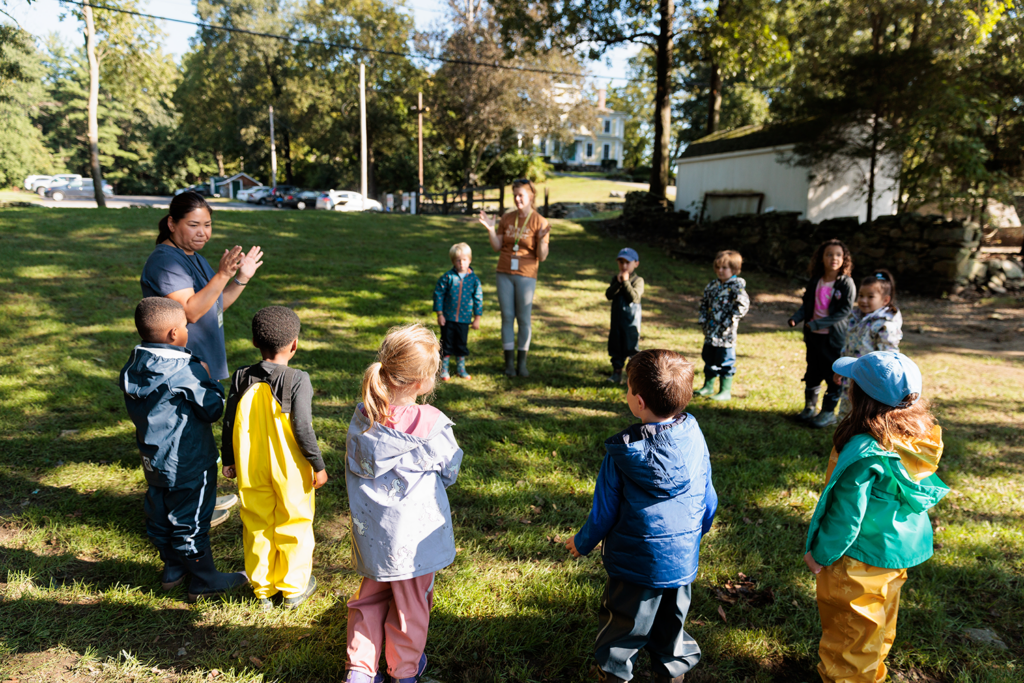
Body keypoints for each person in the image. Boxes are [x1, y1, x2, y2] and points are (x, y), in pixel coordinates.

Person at [566, 349, 717, 683]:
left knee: (625, 622)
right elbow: (708, 496)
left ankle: (614, 671)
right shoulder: (693, 434)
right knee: (672, 620)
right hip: (681, 559)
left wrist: (582, 542)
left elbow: (604, 512)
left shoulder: (623, 453)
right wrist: (696, 531)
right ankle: (673, 670)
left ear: (637, 401)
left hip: (635, 563)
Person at [804, 351, 948, 683]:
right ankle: (872, 675)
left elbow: (845, 514)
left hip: (856, 560)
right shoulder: (918, 437)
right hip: (894, 556)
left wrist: (821, 554)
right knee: (878, 626)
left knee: (849, 641)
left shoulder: (864, 450)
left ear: (860, 396)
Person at [343, 324, 463, 683]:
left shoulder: (363, 417)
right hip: (413, 541)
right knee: (411, 607)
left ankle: (359, 671)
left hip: (374, 536)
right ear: (423, 381)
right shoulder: (433, 423)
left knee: (369, 599)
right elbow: (450, 469)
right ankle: (403, 670)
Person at [141, 191, 264, 518]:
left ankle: (201, 500)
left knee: (197, 438)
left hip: (200, 363)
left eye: (207, 225)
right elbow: (192, 312)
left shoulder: (192, 256)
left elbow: (215, 304)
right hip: (179, 369)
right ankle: (188, 509)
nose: (202, 232)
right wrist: (222, 274)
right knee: (183, 440)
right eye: (193, 224)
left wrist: (240, 278)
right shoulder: (165, 261)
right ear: (171, 223)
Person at [120, 297, 248, 602]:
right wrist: (209, 379)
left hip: (154, 461)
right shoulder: (185, 370)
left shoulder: (134, 364)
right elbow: (212, 409)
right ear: (173, 335)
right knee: (192, 519)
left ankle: (173, 570)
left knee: (161, 512)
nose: (187, 330)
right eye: (185, 326)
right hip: (189, 460)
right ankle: (204, 579)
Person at [221, 306, 328, 611]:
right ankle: (293, 588)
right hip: (291, 466)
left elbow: (230, 421)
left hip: (250, 461)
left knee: (256, 521)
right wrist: (318, 465)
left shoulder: (242, 376)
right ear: (294, 344)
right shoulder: (298, 379)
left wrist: (228, 458)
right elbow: (303, 428)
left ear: (255, 342)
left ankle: (263, 589)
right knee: (294, 519)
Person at [478, 178, 551, 377]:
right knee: (507, 317)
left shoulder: (540, 222)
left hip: (526, 275)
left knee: (524, 318)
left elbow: (542, 256)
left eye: (521, 195)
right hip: (504, 272)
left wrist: (542, 240)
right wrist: (491, 229)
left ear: (531, 196)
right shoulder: (507, 218)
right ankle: (509, 364)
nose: (518, 199)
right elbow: (496, 246)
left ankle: (522, 363)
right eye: (515, 195)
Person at [788, 239, 856, 428]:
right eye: (829, 254)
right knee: (812, 371)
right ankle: (810, 408)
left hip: (832, 339)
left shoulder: (846, 283)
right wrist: (796, 318)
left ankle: (828, 412)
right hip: (813, 336)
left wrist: (818, 323)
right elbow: (806, 306)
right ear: (821, 258)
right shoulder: (815, 281)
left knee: (833, 374)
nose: (833, 258)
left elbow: (843, 311)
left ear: (844, 259)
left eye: (838, 254)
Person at [834, 269, 903, 419]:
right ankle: (844, 439)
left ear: (885, 300)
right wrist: (841, 368)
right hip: (851, 379)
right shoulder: (855, 318)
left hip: (870, 383)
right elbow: (848, 346)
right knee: (846, 415)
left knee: (865, 418)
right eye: (861, 296)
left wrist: (882, 381)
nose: (863, 300)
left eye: (870, 296)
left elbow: (889, 357)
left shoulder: (886, 325)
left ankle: (861, 441)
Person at [695, 250, 750, 401]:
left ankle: (725, 390)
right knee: (708, 358)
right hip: (710, 331)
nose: (720, 270)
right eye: (718, 267)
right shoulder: (712, 285)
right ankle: (708, 386)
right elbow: (704, 303)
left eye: (724, 268)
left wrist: (730, 319)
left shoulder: (736, 286)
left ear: (734, 269)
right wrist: (703, 319)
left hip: (726, 334)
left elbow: (743, 305)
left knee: (725, 361)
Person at [433, 242, 483, 381]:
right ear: (453, 261)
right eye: (458, 260)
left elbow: (478, 298)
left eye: (464, 260)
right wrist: (440, 314)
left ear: (470, 260)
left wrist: (477, 318)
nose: (461, 263)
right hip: (448, 318)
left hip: (464, 319)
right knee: (446, 343)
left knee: (461, 343)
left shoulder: (474, 280)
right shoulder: (447, 277)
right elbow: (438, 294)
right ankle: (444, 369)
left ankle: (461, 368)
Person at [605, 247, 645, 385]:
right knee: (616, 346)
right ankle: (616, 373)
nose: (624, 266)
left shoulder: (638, 281)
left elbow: (633, 297)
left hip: (631, 322)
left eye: (628, 262)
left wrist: (626, 282)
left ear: (636, 263)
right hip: (616, 321)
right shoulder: (616, 279)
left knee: (631, 348)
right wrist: (617, 282)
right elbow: (608, 295)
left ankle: (633, 378)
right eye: (621, 262)